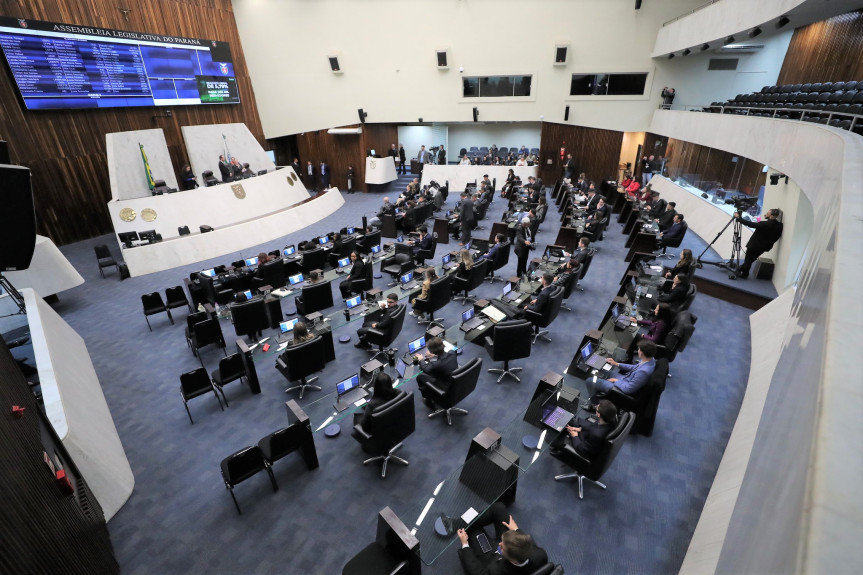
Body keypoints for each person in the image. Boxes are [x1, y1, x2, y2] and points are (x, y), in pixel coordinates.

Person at [455, 502, 548, 575]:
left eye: (502, 547)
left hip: (491, 557)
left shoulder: (495, 571)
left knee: (471, 528)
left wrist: (465, 544)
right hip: (511, 550)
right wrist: (516, 529)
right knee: (498, 508)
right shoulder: (540, 555)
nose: (500, 544)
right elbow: (527, 542)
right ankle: (456, 523)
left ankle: (456, 524)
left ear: (513, 560)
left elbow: (476, 572)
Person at [587, 340, 657, 398]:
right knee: (604, 371)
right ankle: (600, 387)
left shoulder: (643, 372)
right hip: (626, 379)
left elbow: (628, 389)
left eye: (639, 349)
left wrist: (615, 380)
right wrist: (616, 364)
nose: (638, 351)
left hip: (624, 388)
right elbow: (634, 367)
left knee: (589, 381)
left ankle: (594, 404)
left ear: (641, 353)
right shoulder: (650, 359)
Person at [551, 399, 618, 459]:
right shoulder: (612, 420)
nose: (595, 407)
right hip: (590, 436)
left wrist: (575, 436)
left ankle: (556, 446)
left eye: (596, 408)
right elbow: (595, 427)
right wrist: (580, 429)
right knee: (569, 421)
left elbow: (583, 450)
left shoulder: (596, 435)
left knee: (556, 442)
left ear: (598, 415)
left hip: (583, 446)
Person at [735, 208, 783, 278]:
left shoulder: (764, 224)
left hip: (754, 246)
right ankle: (744, 273)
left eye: (767, 213)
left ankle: (741, 270)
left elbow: (750, 224)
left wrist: (739, 218)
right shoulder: (780, 225)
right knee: (750, 260)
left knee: (748, 260)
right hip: (765, 247)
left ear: (772, 216)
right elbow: (777, 237)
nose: (765, 214)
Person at [415, 336, 458, 404]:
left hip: (446, 387)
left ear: (431, 351)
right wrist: (435, 356)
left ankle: (428, 399)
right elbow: (444, 357)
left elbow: (425, 368)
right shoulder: (452, 352)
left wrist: (421, 359)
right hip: (455, 381)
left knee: (420, 377)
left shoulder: (436, 365)